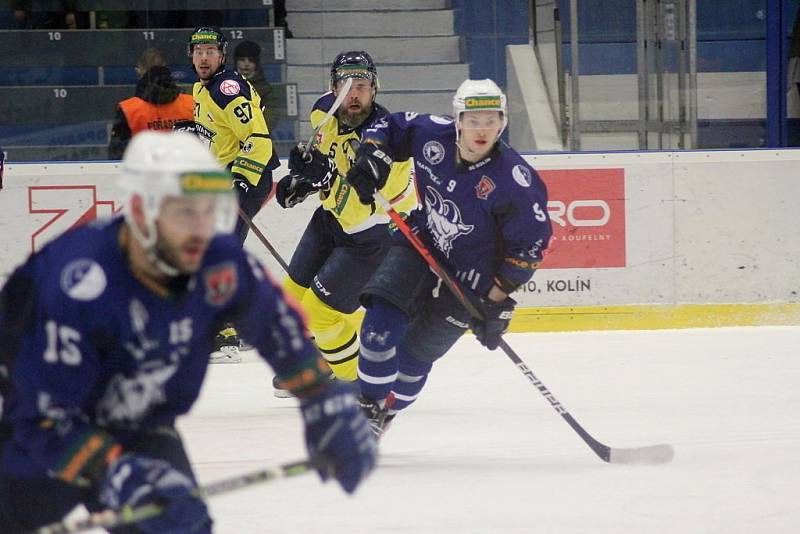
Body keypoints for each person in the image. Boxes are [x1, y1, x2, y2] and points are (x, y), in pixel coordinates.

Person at [0, 131, 377, 533]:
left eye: (207, 210)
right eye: (184, 213)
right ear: (142, 212)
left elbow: (274, 323)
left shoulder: (216, 262)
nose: (201, 230)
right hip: (46, 432)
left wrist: (322, 400)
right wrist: (113, 472)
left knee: (183, 524)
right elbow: (41, 413)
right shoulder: (75, 284)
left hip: (140, 424)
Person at [344, 79, 553, 437]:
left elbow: (529, 248)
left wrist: (494, 303)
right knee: (379, 328)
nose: (482, 129)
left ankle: (386, 413)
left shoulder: (516, 182)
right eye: (473, 120)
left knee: (413, 362)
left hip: (472, 280)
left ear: (503, 121)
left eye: (491, 119)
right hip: (422, 240)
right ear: (457, 120)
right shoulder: (431, 135)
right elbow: (388, 127)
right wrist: (371, 161)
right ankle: (366, 409)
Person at [272, 51, 416, 396]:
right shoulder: (325, 110)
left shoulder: (389, 144)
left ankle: (361, 386)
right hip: (331, 220)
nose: (353, 94)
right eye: (345, 85)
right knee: (291, 301)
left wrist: (323, 180)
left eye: (362, 86)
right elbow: (325, 158)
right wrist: (304, 182)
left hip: (372, 235)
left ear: (375, 89)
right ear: (332, 87)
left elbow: (362, 209)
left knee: (318, 314)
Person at [189, 26, 281, 361]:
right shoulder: (202, 90)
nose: (203, 57)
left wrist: (239, 182)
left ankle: (226, 334)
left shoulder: (226, 89)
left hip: (246, 179)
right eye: (198, 52)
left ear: (221, 55)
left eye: (210, 51)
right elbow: (219, 135)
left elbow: (258, 138)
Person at [108, 65, 194, 159]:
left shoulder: (129, 109)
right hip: (186, 168)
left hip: (144, 169)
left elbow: (116, 157)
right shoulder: (191, 104)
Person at [233, 40, 280, 128]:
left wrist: (255, 130)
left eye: (251, 60)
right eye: (242, 60)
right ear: (236, 61)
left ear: (256, 63)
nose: (246, 64)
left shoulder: (265, 89)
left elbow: (271, 115)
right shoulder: (225, 85)